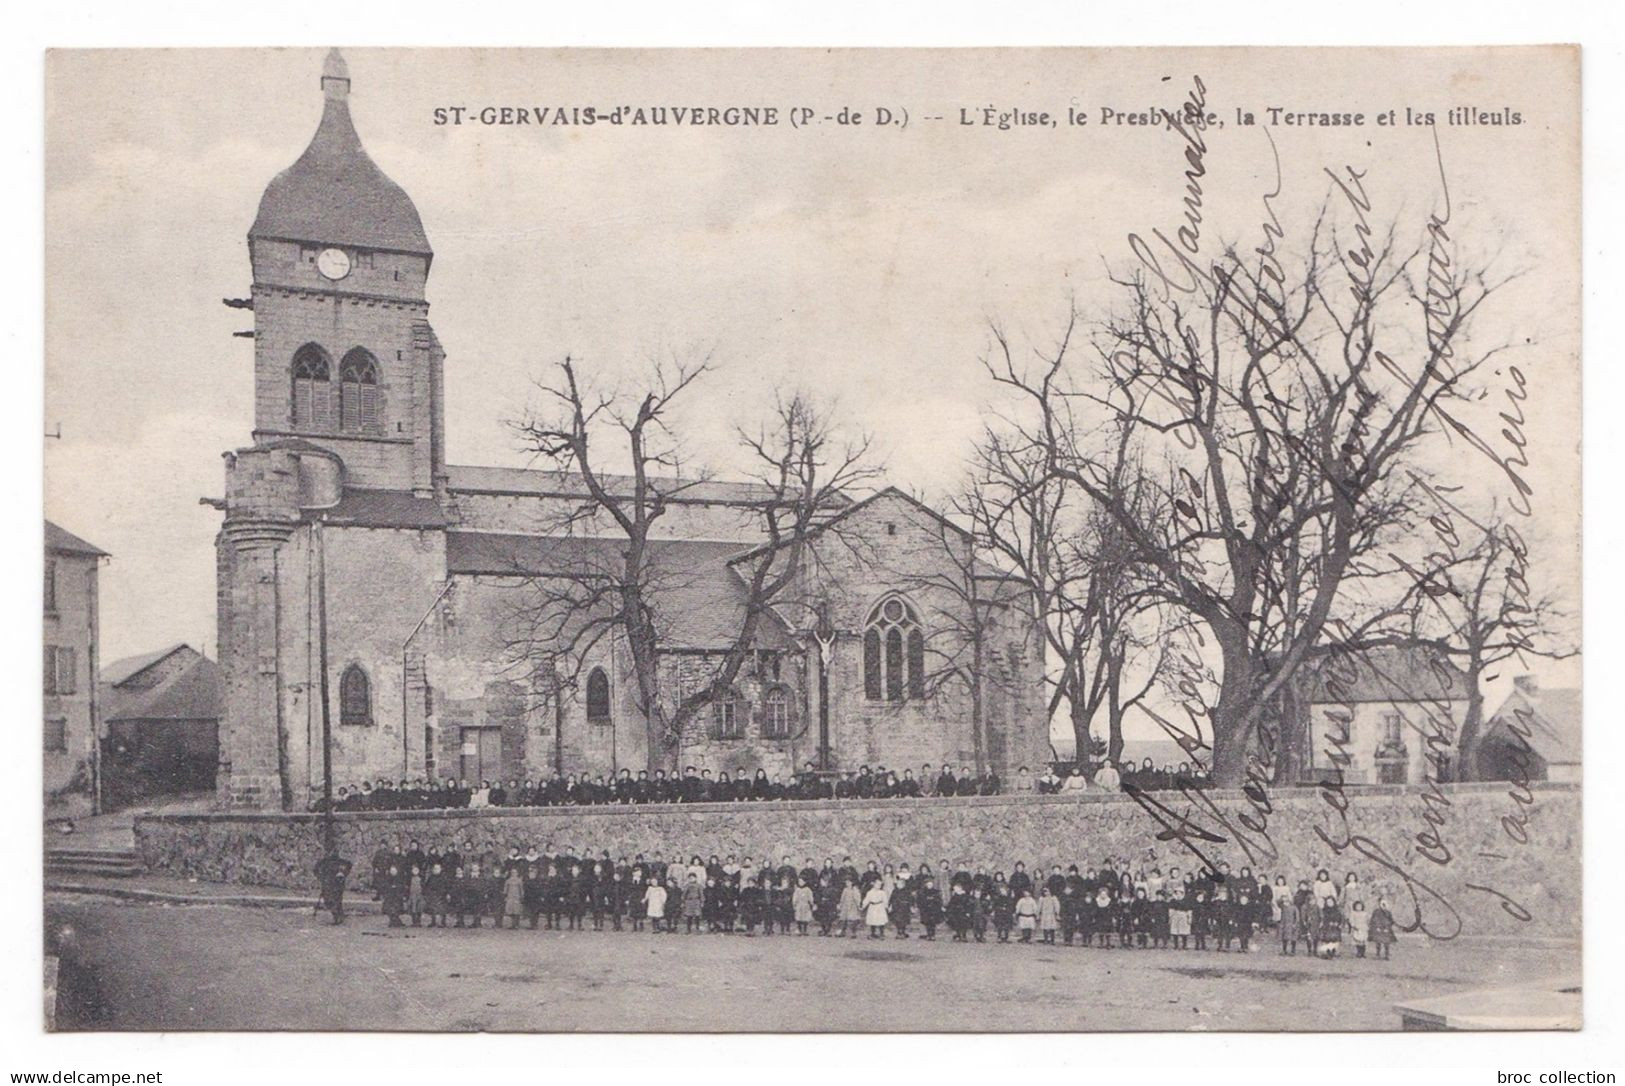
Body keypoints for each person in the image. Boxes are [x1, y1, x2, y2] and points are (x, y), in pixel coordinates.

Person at [314, 851, 352, 925]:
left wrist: (344, 873)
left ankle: (338, 916)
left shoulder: (340, 861)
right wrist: (321, 877)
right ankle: (338, 916)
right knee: (329, 900)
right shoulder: (324, 862)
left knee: (336, 900)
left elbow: (349, 865)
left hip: (337, 884)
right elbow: (315, 870)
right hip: (328, 884)